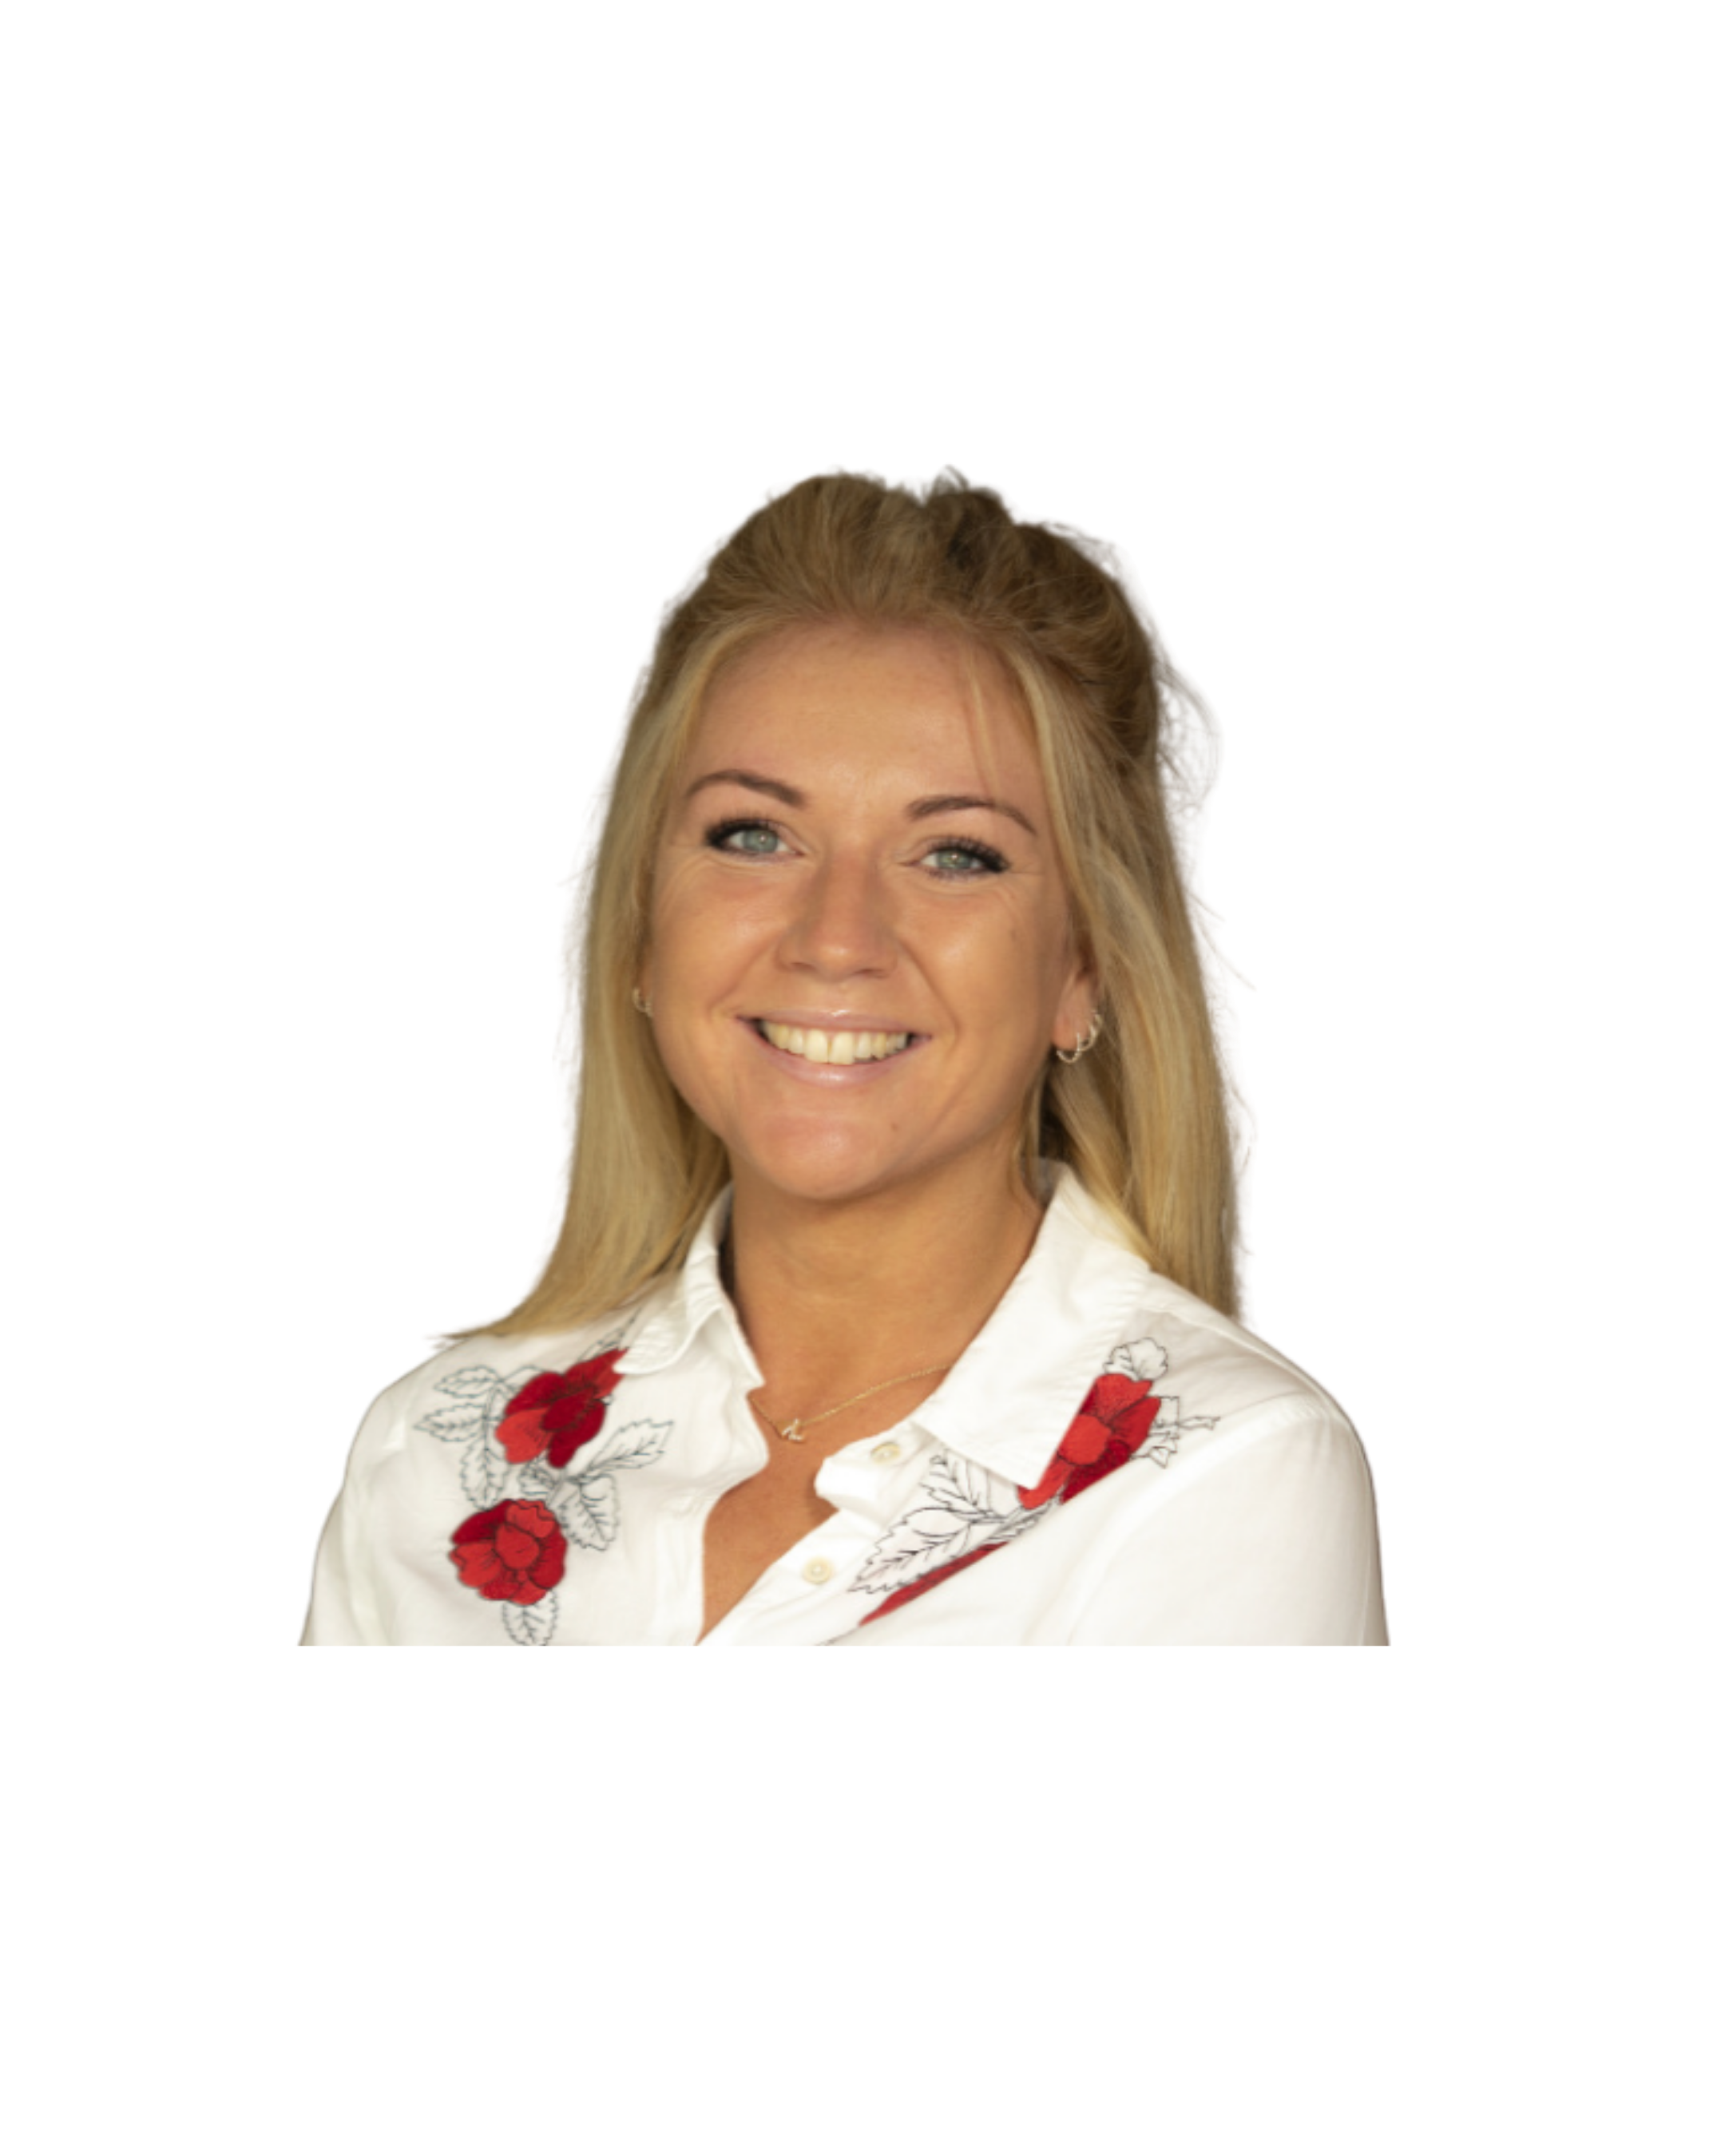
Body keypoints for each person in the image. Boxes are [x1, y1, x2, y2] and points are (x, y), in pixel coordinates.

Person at [299, 466, 1390, 1656]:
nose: (834, 940)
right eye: (753, 835)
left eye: (957, 854)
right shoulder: (433, 1453)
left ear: (1083, 967)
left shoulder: (1228, 1469)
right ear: (643, 932)